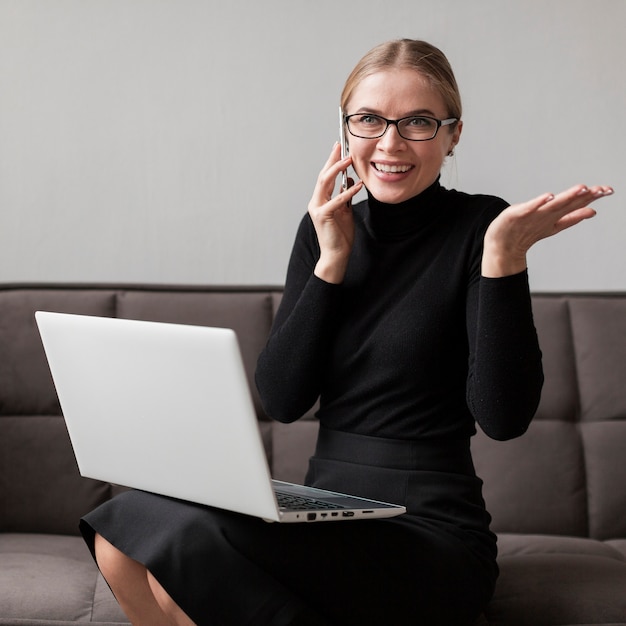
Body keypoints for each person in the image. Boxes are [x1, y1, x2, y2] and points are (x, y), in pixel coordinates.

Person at [81, 39, 613, 626]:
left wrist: (503, 257)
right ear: (346, 126)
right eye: (369, 120)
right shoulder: (324, 230)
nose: (389, 143)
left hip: (429, 533)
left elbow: (503, 418)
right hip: (322, 516)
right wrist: (330, 263)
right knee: (124, 525)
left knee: (187, 540)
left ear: (452, 134)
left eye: (417, 122)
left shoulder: (483, 228)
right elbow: (282, 401)